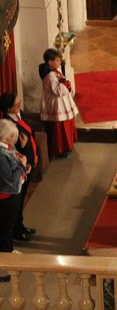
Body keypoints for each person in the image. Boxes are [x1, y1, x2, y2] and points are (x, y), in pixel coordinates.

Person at [0, 93, 38, 242]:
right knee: (16, 202)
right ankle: (15, 230)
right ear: (9, 108)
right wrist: (22, 153)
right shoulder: (6, 124)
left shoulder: (18, 116)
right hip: (17, 171)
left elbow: (30, 135)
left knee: (20, 202)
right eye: (16, 105)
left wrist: (34, 155)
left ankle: (19, 225)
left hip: (25, 165)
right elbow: (13, 149)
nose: (19, 107)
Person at [0, 119, 30, 274]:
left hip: (12, 196)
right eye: (13, 136)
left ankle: (8, 250)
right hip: (6, 197)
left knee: (8, 226)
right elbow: (10, 181)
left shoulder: (7, 148)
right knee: (5, 227)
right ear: (6, 137)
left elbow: (15, 163)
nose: (15, 139)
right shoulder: (1, 155)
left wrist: (23, 167)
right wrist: (23, 165)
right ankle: (6, 262)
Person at [39, 48, 79, 159]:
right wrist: (63, 82)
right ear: (50, 62)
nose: (60, 62)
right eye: (57, 60)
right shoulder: (50, 76)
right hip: (56, 105)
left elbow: (63, 86)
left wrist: (65, 82)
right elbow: (58, 91)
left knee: (66, 124)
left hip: (61, 104)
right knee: (59, 129)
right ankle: (60, 150)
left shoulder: (55, 72)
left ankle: (67, 146)